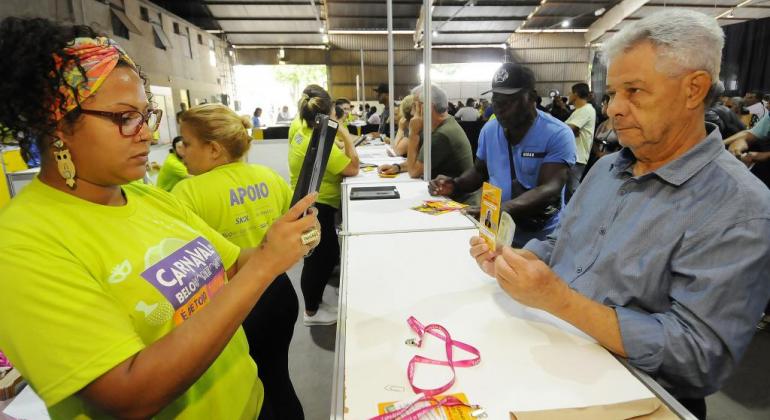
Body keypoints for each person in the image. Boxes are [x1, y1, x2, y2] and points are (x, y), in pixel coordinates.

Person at [0, 18, 319, 419]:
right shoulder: (21, 246)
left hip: (252, 403)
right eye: (123, 118)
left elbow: (236, 264)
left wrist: (286, 240)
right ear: (58, 124)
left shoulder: (146, 197)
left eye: (145, 116)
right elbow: (129, 396)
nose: (147, 135)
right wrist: (267, 266)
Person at [469, 10, 770, 420]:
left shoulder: (741, 208)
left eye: (634, 91)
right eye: (612, 93)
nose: (614, 109)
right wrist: (526, 259)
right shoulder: (608, 169)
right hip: (551, 353)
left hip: (630, 397)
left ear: (693, 90)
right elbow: (566, 238)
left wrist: (559, 300)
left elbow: (700, 357)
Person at [172, 104, 307, 419]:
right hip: (279, 293)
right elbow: (300, 231)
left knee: (251, 388)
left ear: (214, 149)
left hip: (231, 303)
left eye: (187, 143)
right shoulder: (269, 177)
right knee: (278, 378)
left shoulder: (185, 193)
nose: (182, 153)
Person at [429, 63, 575, 246]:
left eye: (508, 101)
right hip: (498, 231)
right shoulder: (490, 130)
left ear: (531, 98)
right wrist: (455, 184)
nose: (499, 108)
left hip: (542, 237)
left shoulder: (557, 133)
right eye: (496, 100)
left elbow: (549, 187)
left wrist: (502, 209)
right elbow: (479, 172)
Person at [288, 84, 360, 326]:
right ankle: (311, 311)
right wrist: (345, 136)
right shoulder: (321, 140)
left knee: (319, 254)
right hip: (319, 204)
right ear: (330, 113)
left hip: (306, 200)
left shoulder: (298, 125)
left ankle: (314, 304)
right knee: (320, 256)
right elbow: (353, 167)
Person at [379, 84, 474, 203]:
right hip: (445, 195)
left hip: (457, 202)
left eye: (415, 106)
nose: (413, 113)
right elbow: (418, 162)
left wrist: (413, 133)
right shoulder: (443, 123)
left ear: (427, 107)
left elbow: (413, 171)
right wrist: (398, 167)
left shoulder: (441, 134)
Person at [565, 82, 596, 201]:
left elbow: (569, 130)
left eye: (570, 93)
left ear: (576, 94)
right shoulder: (578, 111)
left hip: (578, 157)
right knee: (568, 192)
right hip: (572, 156)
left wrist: (570, 130)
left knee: (573, 191)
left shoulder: (586, 110)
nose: (568, 95)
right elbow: (570, 130)